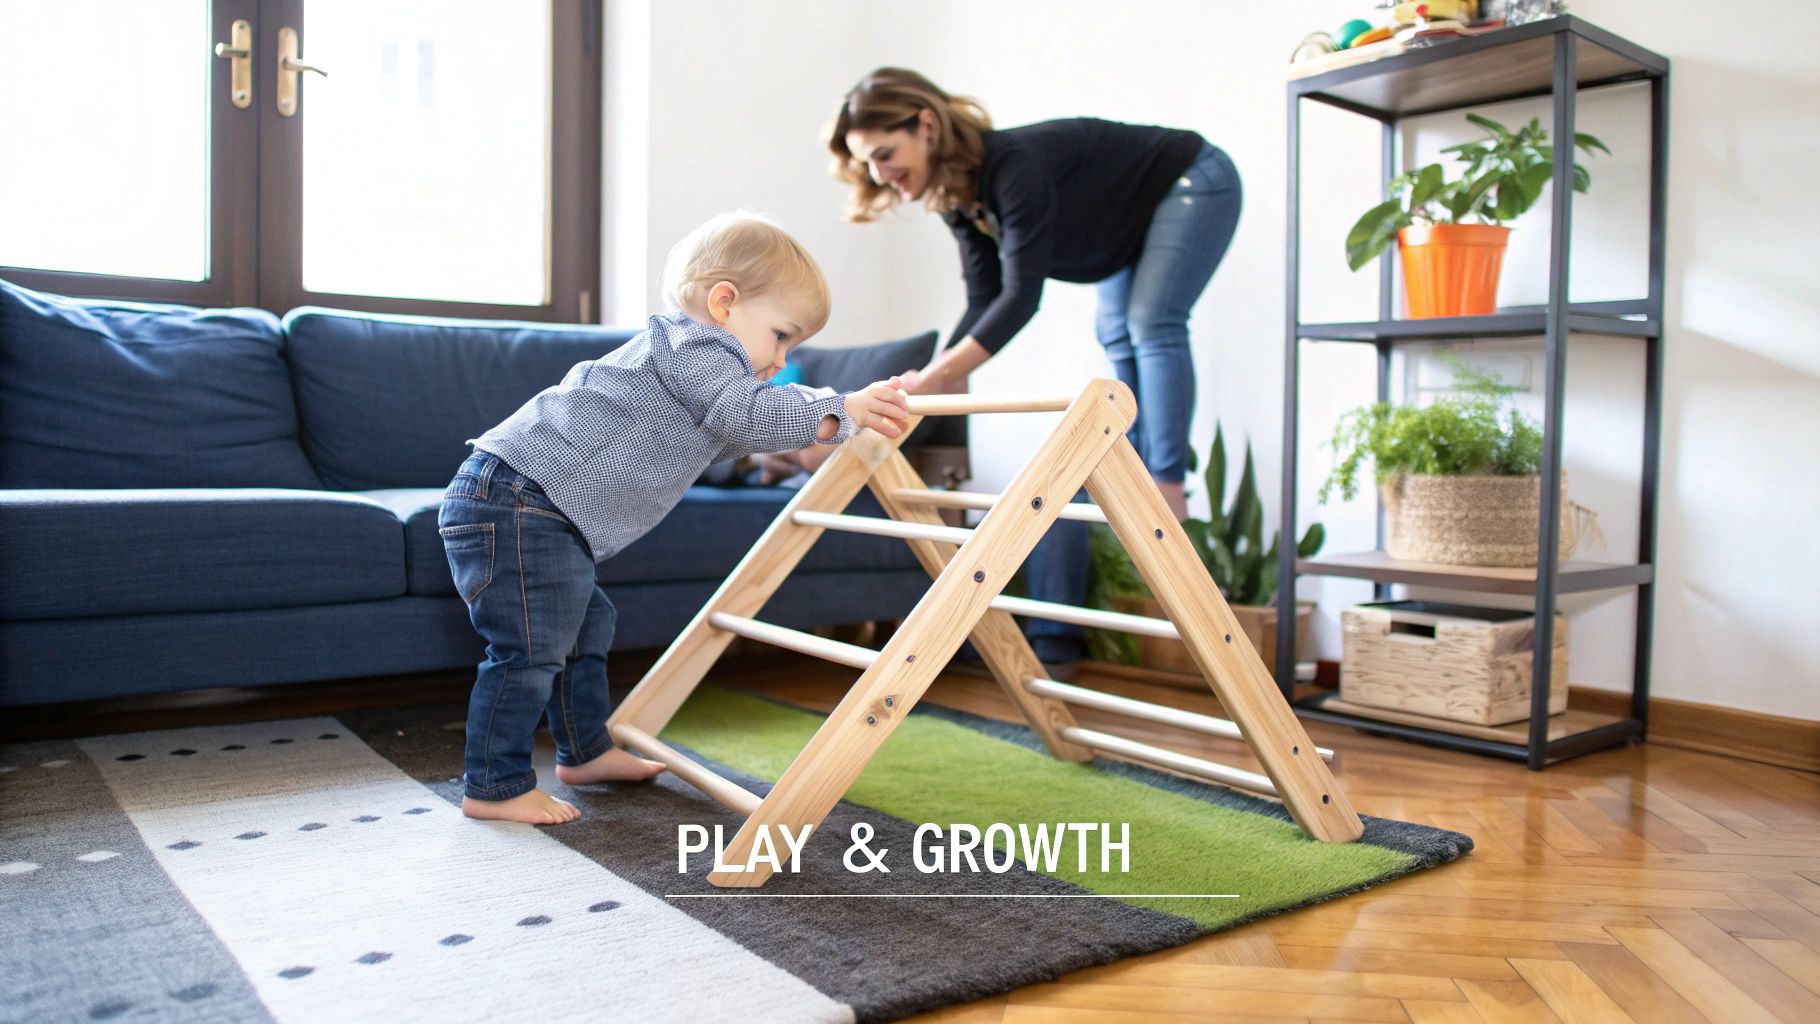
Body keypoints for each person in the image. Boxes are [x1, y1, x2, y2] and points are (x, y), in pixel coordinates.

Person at [441, 213, 911, 825]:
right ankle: (494, 785)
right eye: (781, 336)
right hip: (517, 497)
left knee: (584, 628)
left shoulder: (692, 363)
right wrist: (839, 408)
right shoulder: (697, 347)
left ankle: (584, 753)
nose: (780, 359)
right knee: (529, 647)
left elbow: (729, 435)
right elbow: (745, 415)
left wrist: (795, 443)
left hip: (534, 504)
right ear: (724, 303)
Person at [825, 67, 1243, 668]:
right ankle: (1145, 468)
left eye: (885, 154)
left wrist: (940, 375)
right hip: (1132, 228)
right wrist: (939, 372)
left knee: (1153, 323)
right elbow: (982, 300)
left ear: (926, 125)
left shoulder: (1013, 165)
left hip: (1191, 179)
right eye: (867, 164)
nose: (879, 174)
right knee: (1118, 333)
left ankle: (1166, 486)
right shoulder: (958, 197)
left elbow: (1022, 296)